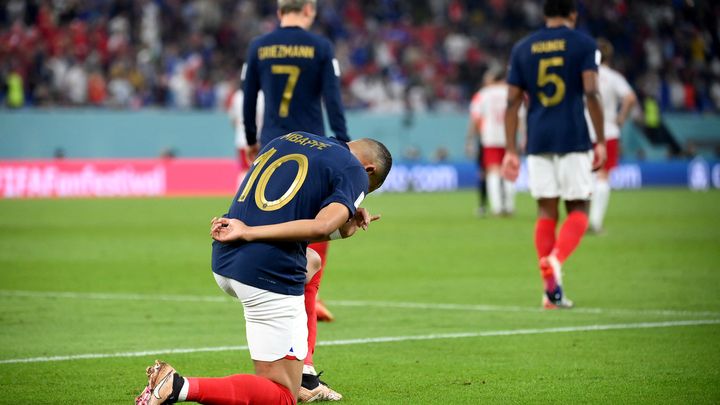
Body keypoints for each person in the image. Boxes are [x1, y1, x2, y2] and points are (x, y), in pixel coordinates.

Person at [135, 131, 392, 405]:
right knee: (282, 396)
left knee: (312, 263)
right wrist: (248, 232)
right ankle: (177, 386)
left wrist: (343, 230)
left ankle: (302, 373)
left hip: (226, 260)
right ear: (369, 169)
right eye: (368, 187)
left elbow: (285, 215)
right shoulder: (354, 170)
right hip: (266, 273)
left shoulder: (293, 138)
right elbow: (321, 224)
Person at [241, 0, 351, 399]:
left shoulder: (259, 47)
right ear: (308, 9)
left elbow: (248, 97)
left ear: (278, 9)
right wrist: (341, 147)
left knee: (277, 257)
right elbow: (333, 103)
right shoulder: (320, 48)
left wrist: (254, 142)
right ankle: (304, 369)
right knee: (310, 270)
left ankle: (284, 363)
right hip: (313, 157)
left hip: (271, 156)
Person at [501, 0, 606, 309]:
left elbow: (512, 102)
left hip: (538, 137)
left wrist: (510, 149)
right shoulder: (584, 44)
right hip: (573, 135)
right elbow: (591, 92)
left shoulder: (523, 48)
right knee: (579, 208)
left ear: (545, 14)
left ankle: (551, 293)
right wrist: (600, 139)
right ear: (573, 14)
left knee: (546, 211)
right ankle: (555, 260)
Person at [585, 38, 637, 234]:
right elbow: (630, 97)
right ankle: (595, 223)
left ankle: (581, 220)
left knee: (586, 176)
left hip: (585, 129)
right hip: (607, 131)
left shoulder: (584, 74)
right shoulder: (613, 77)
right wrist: (621, 117)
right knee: (603, 176)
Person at [467, 66, 520, 217]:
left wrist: (472, 138)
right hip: (509, 137)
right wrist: (523, 135)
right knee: (508, 171)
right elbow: (520, 115)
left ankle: (497, 208)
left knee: (493, 171)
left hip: (489, 137)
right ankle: (509, 206)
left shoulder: (483, 94)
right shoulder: (512, 92)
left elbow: (476, 118)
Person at [228, 88, 264, 186]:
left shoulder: (237, 96)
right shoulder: (261, 95)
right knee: (260, 171)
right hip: (258, 139)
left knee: (244, 170)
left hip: (241, 138)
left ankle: (240, 197)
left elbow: (232, 118)